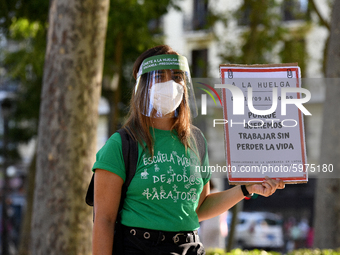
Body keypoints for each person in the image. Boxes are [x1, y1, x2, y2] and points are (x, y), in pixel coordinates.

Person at [92, 45, 285, 255]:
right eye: (160, 77)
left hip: (189, 247)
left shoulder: (196, 140)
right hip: (139, 247)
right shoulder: (121, 144)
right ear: (143, 86)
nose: (170, 84)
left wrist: (246, 188)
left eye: (176, 76)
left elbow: (199, 208)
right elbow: (104, 221)